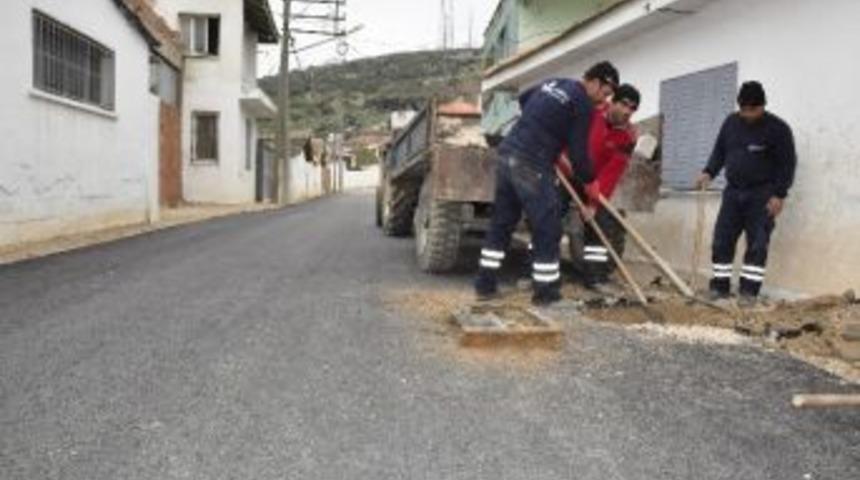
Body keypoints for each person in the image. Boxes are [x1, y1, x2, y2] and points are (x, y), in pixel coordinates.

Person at [475, 61, 619, 306]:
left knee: (502, 223)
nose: (602, 101)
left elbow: (523, 100)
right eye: (604, 93)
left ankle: (485, 285)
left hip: (507, 153)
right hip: (531, 162)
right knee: (548, 226)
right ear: (595, 82)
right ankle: (547, 294)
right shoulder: (582, 103)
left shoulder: (555, 82)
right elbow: (579, 152)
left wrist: (544, 128)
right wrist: (590, 180)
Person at [695, 81, 797, 305]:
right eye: (744, 109)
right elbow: (719, 151)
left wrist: (779, 194)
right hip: (733, 193)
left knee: (757, 245)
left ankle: (749, 293)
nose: (748, 114)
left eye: (753, 110)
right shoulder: (731, 123)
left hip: (762, 195)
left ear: (763, 106)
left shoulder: (778, 129)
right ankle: (719, 288)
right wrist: (708, 172)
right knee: (722, 240)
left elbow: (787, 165)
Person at [557, 84, 641, 292]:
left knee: (598, 223)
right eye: (624, 104)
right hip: (566, 171)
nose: (627, 112)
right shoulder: (590, 113)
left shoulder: (627, 138)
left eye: (632, 109)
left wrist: (593, 204)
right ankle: (537, 272)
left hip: (593, 182)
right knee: (549, 217)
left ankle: (594, 278)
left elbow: (611, 173)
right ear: (613, 101)